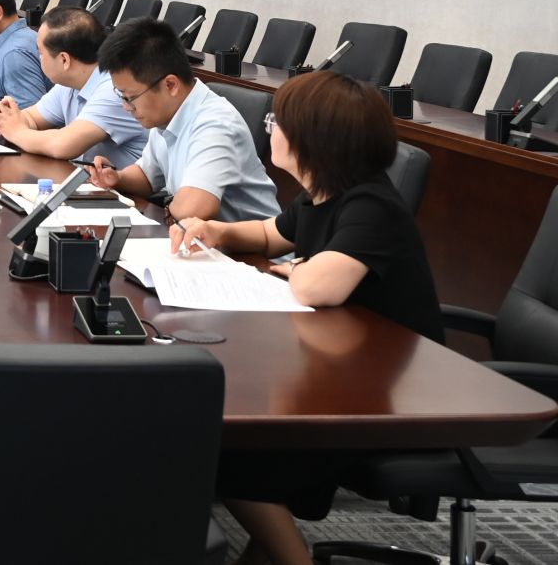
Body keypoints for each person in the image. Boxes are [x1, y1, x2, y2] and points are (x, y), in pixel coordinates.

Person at [178, 70, 442, 565]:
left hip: (388, 394)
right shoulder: (322, 193)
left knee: (230, 457)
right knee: (238, 442)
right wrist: (217, 232)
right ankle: (269, 550)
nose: (270, 129)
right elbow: (270, 234)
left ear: (312, 140)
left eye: (277, 122)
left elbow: (319, 285)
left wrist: (298, 269)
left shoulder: (371, 204)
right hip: (343, 373)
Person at [87, 18, 279, 223]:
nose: (126, 106)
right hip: (204, 238)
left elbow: (194, 209)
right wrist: (117, 178)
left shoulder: (215, 124)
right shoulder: (167, 114)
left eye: (130, 97)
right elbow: (147, 177)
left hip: (252, 243)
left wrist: (171, 205)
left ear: (170, 85)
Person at [0, 8, 147, 167]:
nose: (39, 58)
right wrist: (3, 117)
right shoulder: (70, 83)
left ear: (64, 60)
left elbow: (62, 145)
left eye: (41, 53)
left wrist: (16, 131)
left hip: (124, 185)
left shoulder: (113, 89)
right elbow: (31, 119)